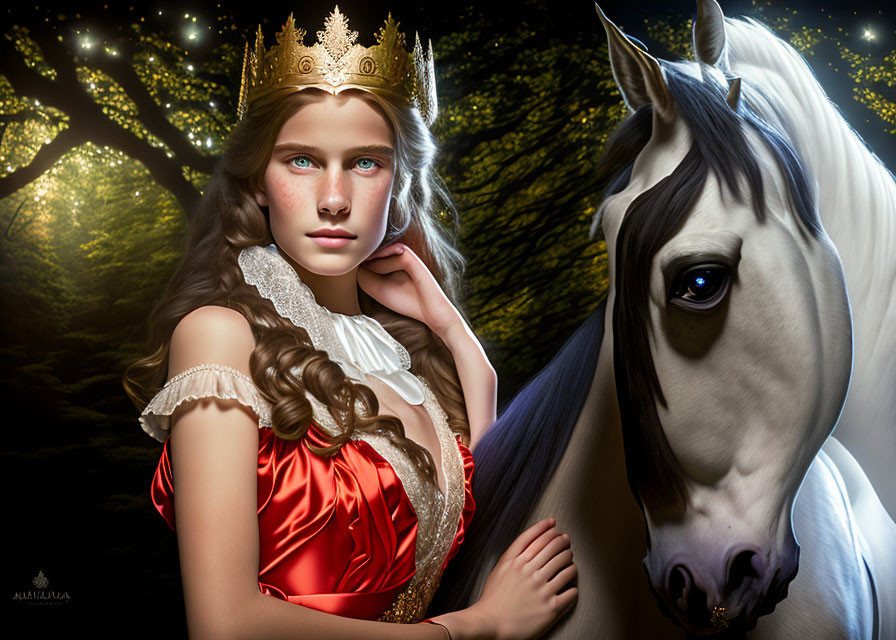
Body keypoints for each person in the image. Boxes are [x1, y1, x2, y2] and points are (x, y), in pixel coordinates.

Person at [124, 8, 577, 640]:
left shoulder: (408, 355)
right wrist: (475, 629)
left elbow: (492, 527)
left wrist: (463, 347)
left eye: (366, 162)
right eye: (302, 160)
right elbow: (223, 623)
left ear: (400, 183)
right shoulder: (219, 334)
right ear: (258, 179)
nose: (334, 198)